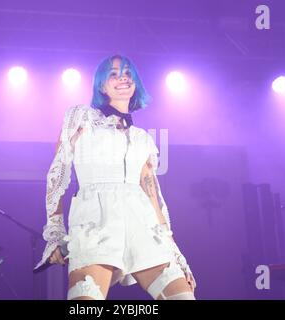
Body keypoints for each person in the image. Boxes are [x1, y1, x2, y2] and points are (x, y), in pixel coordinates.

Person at [35, 54, 196, 300]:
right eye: (113, 73)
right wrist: (55, 231)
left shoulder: (143, 137)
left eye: (128, 73)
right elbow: (57, 173)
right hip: (96, 225)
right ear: (101, 85)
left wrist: (176, 254)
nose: (123, 77)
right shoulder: (81, 117)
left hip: (142, 226)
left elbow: (153, 197)